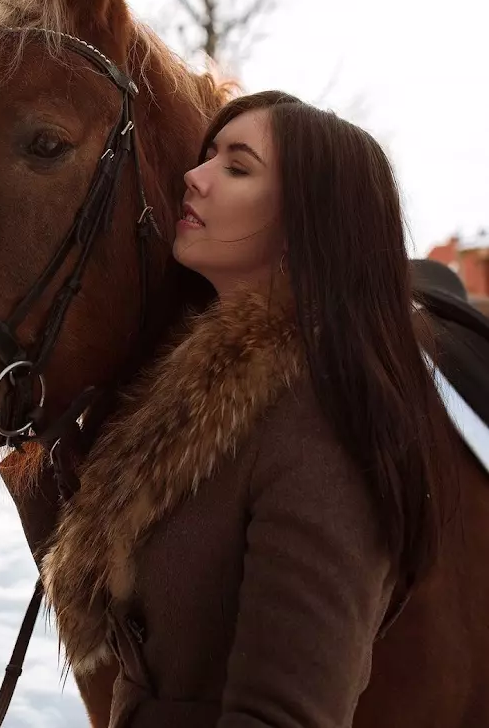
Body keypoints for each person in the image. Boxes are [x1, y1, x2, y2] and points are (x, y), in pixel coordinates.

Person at [37, 90, 455, 728]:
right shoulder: (194, 396)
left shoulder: (322, 427)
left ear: (306, 222)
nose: (193, 178)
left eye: (236, 167)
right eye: (206, 157)